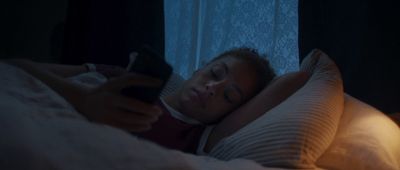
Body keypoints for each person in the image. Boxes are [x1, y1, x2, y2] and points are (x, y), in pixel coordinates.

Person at [6, 47, 276, 154]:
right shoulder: (121, 78)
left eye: (229, 96)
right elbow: (16, 66)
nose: (212, 88)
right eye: (215, 73)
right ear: (199, 68)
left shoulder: (195, 135)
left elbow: (292, 82)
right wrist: (82, 98)